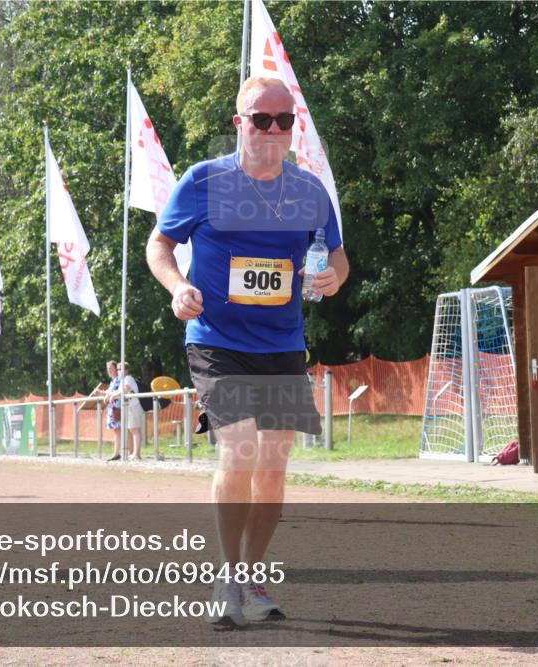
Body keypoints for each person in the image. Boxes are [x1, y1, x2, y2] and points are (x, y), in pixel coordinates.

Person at [146, 77, 348, 627]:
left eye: (285, 120)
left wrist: (332, 277)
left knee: (274, 467)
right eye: (263, 119)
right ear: (241, 123)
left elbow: (337, 255)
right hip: (217, 341)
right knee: (238, 451)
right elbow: (159, 244)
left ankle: (250, 578)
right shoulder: (205, 181)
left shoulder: (308, 191)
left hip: (283, 344)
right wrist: (177, 287)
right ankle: (225, 576)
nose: (274, 130)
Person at [104, 362, 144, 460]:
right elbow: (120, 391)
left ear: (126, 370)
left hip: (133, 406)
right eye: (118, 369)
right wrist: (112, 394)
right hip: (129, 406)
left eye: (120, 369)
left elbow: (124, 390)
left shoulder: (128, 379)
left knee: (135, 430)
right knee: (133, 429)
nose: (118, 371)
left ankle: (136, 454)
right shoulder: (124, 380)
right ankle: (134, 453)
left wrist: (112, 395)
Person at [97, 361, 123, 461]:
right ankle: (117, 453)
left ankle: (118, 453)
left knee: (118, 430)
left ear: (116, 369)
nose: (109, 370)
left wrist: (107, 395)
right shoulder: (113, 381)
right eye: (108, 368)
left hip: (117, 407)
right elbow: (109, 393)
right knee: (116, 430)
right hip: (112, 408)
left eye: (111, 368)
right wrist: (102, 393)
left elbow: (115, 392)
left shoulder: (119, 380)